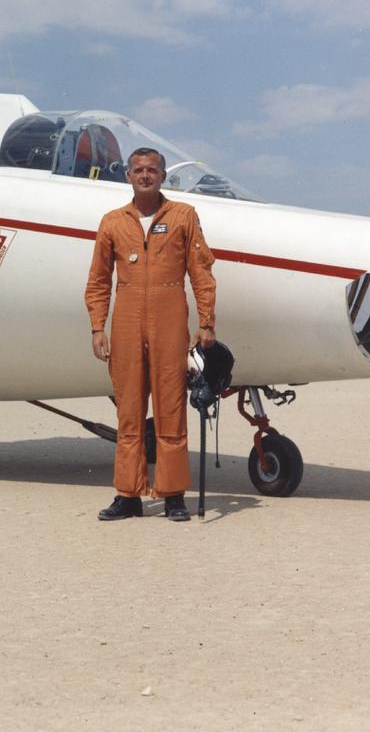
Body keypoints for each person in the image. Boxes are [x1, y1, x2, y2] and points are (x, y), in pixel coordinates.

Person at [85, 147, 216, 521]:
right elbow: (98, 280)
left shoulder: (183, 216)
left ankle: (173, 495)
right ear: (128, 175)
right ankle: (128, 495)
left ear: (162, 176)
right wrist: (98, 326)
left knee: (170, 405)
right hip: (127, 319)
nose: (145, 175)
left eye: (152, 170)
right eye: (139, 170)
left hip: (169, 315)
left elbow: (201, 271)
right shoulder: (112, 221)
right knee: (128, 408)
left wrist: (206, 321)